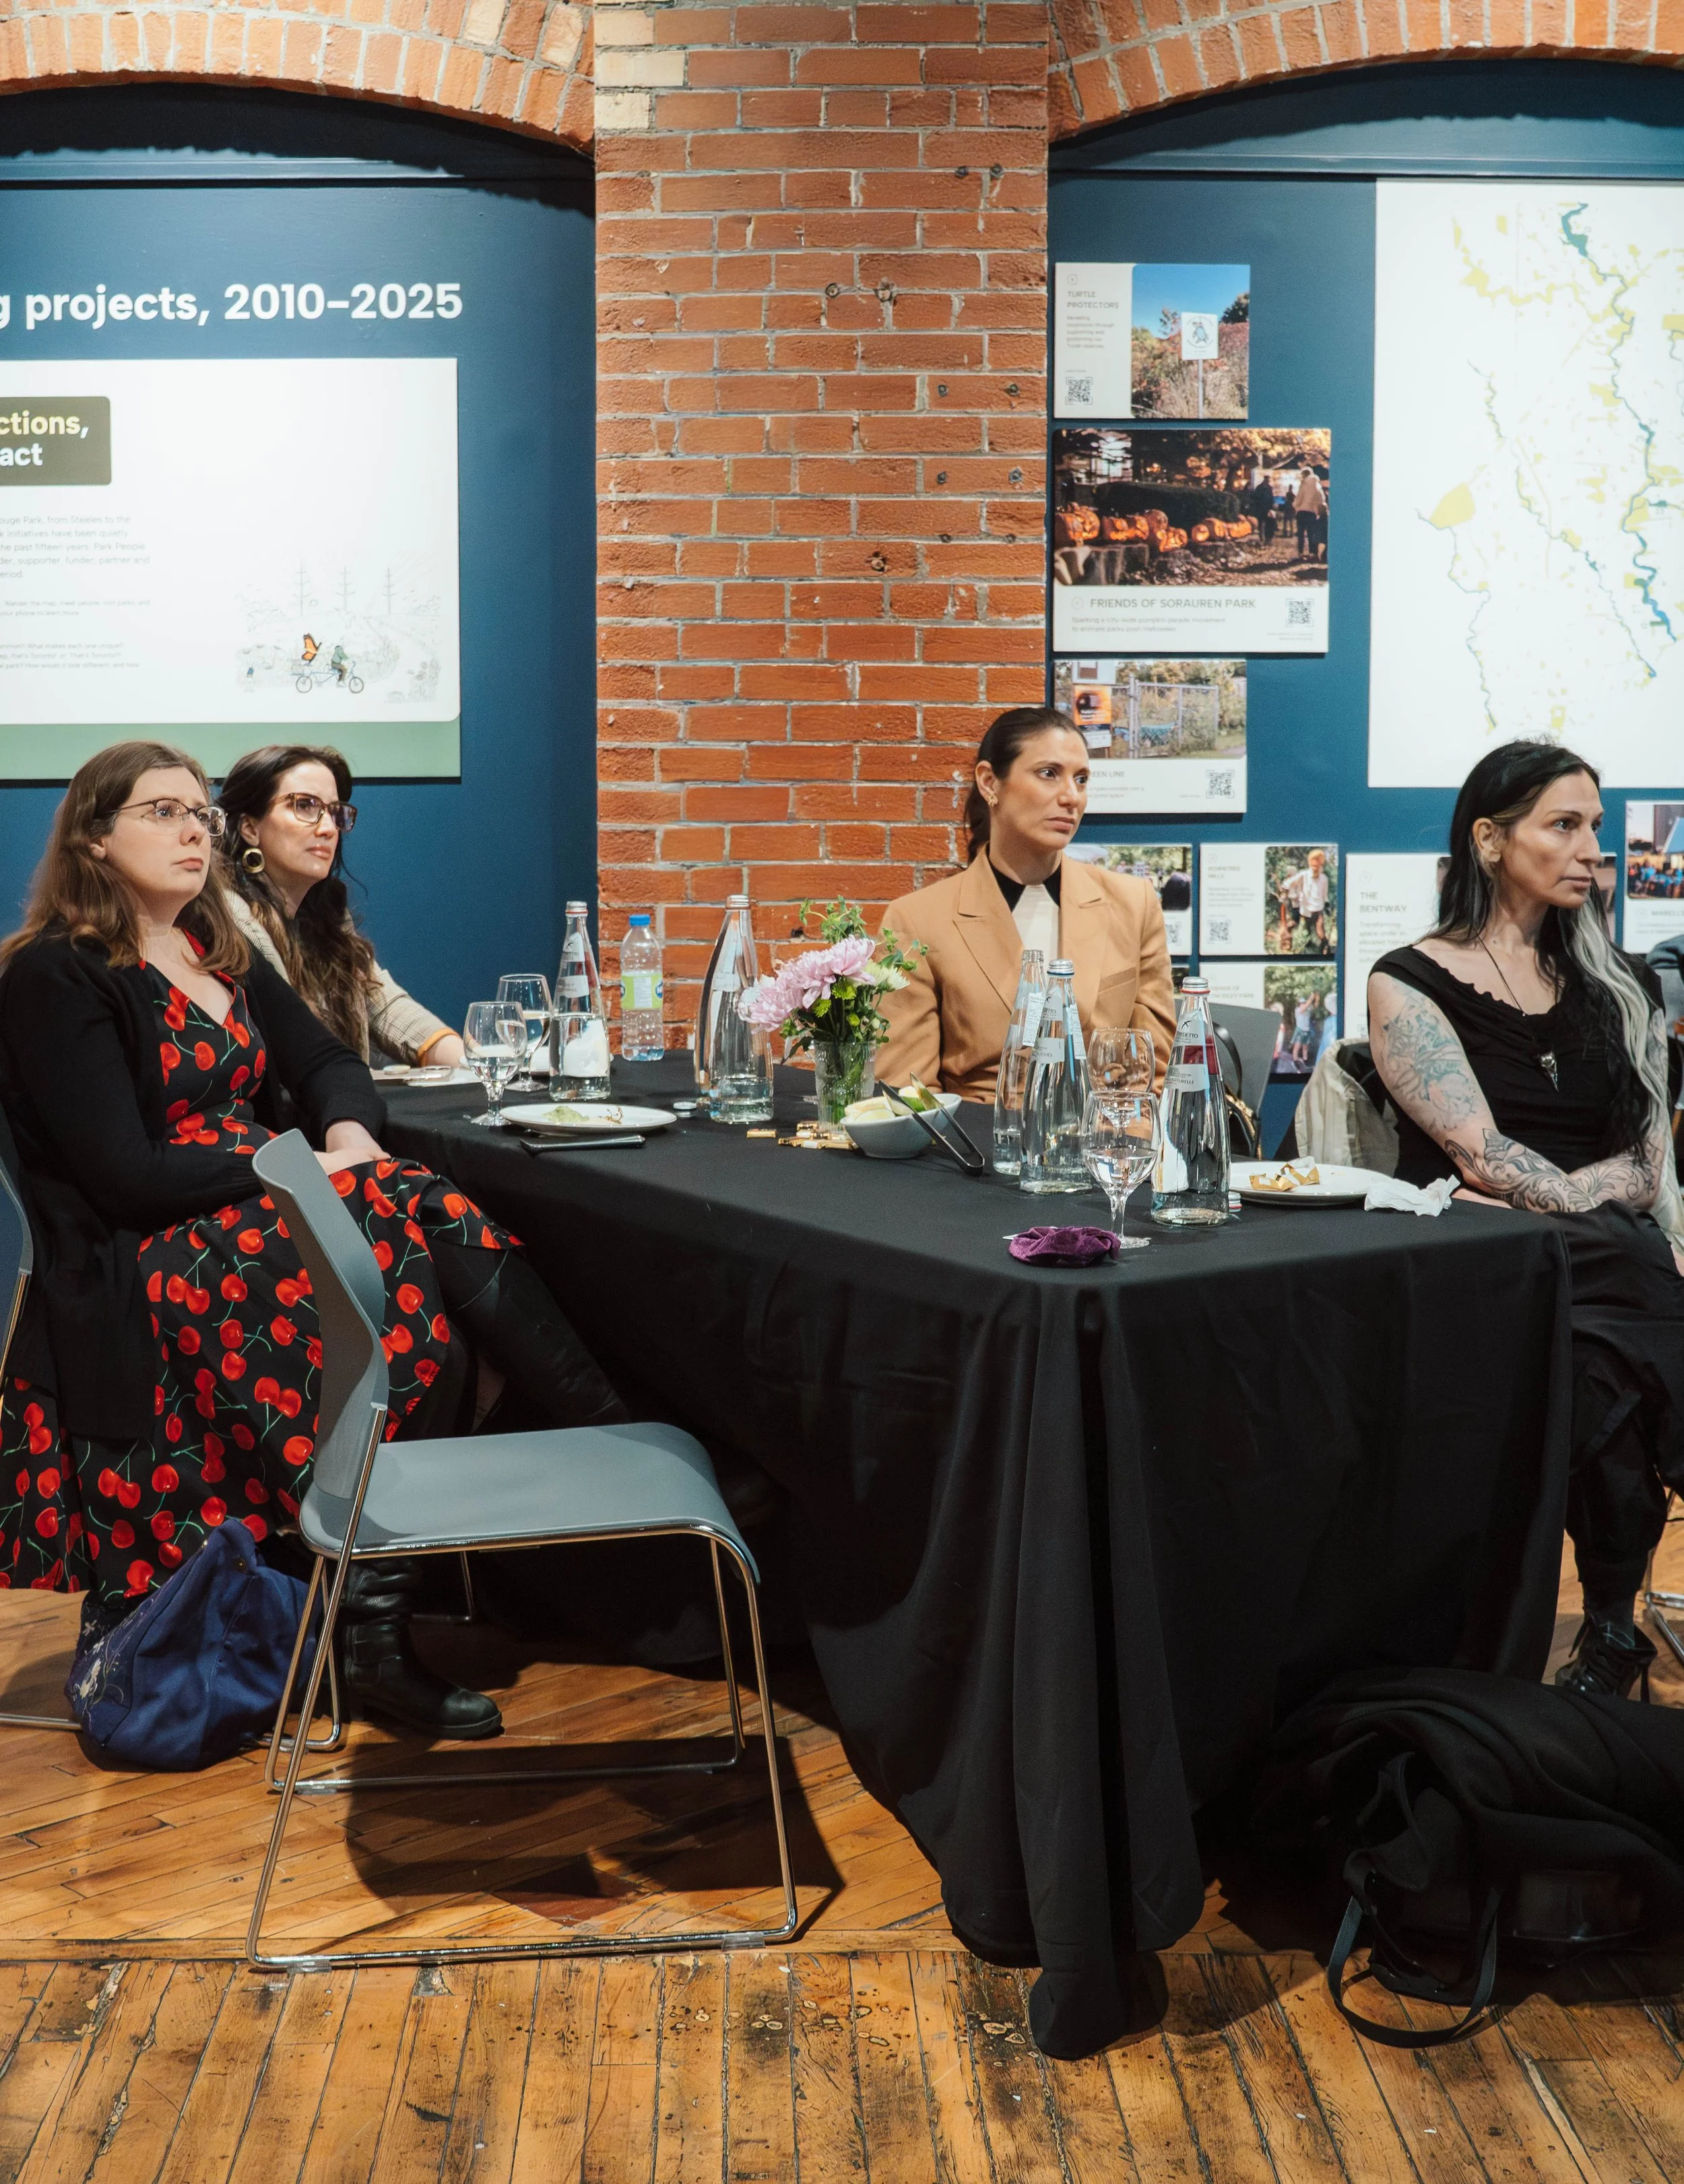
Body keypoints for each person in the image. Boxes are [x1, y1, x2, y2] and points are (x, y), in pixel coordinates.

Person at [0, 741, 627, 1741]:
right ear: (94, 836)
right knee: (422, 1231)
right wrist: (295, 1170)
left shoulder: (213, 944)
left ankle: (375, 1630)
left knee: (425, 1273)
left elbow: (330, 1059)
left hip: (261, 1212)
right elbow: (122, 1170)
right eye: (161, 812)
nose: (193, 830)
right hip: (157, 1248)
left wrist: (341, 1133)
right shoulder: (55, 972)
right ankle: (605, 1436)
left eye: (198, 812)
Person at [1367, 739, 1684, 1702]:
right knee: (1626, 1283)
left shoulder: (1620, 984)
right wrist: (1599, 1200)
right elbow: (1479, 1154)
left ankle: (1612, 1634)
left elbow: (1651, 1158)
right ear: (1492, 838)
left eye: (1595, 824)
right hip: (1478, 1259)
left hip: (1593, 1265)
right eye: (1566, 823)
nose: (1594, 846)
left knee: (1602, 1369)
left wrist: (1585, 1199)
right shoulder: (1408, 980)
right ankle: (1612, 1624)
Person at [876, 707, 1175, 1101]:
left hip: (1105, 1147)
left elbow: (1155, 1074)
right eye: (1049, 773)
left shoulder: (1134, 905)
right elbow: (907, 1092)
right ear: (990, 783)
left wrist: (1118, 1152)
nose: (1071, 797)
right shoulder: (917, 920)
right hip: (979, 1149)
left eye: (1081, 779)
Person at [214, 745, 463, 1068]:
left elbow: (386, 1006)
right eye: (305, 806)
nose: (328, 828)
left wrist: (476, 1064)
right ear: (250, 827)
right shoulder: (232, 915)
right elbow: (299, 1044)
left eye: (334, 812)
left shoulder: (327, 915)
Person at [1276, 849, 1332, 953]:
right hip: (1305, 910)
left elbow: (1325, 894)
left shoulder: (1324, 879)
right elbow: (1290, 883)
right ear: (1310, 863)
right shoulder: (1304, 875)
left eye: (1318, 865)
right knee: (1303, 929)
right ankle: (1288, 945)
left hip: (1317, 909)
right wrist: (1285, 890)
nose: (1316, 868)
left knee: (1320, 931)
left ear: (1321, 864)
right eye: (1314, 865)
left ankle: (1325, 950)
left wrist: (1327, 903)